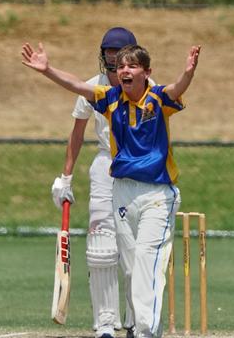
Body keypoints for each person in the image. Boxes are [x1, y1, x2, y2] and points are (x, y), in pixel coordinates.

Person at [23, 42, 200, 338]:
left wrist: (188, 73)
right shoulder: (110, 99)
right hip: (122, 192)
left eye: (131, 66)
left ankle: (145, 331)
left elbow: (177, 89)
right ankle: (137, 326)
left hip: (157, 193)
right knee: (131, 267)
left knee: (146, 260)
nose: (124, 71)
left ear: (146, 72)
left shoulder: (157, 98)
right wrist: (47, 70)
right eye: (120, 67)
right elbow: (78, 85)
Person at [50, 27, 156, 338]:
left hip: (140, 169)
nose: (112, 58)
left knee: (134, 252)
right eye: (108, 52)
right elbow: (77, 133)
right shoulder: (93, 87)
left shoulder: (150, 88)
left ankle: (136, 319)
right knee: (101, 248)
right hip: (105, 166)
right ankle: (105, 322)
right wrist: (66, 176)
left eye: (117, 52)